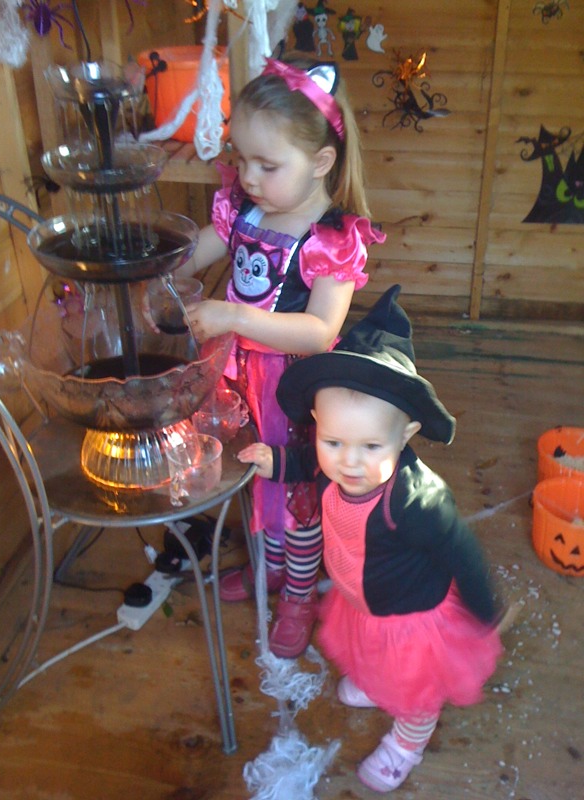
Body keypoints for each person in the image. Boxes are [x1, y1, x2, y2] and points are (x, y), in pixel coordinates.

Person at [237, 285, 506, 793]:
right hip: (361, 597)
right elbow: (309, 463)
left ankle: (407, 741)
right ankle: (377, 679)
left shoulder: (417, 501)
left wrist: (484, 612)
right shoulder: (335, 461)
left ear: (405, 435)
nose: (349, 462)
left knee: (415, 689)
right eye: (333, 441)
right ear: (317, 425)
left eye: (371, 446)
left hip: (408, 617)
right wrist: (277, 461)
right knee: (366, 649)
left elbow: (462, 552)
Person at [179, 52, 386, 659]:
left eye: (267, 165)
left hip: (294, 387)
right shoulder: (245, 210)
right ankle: (268, 568)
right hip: (237, 376)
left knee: (294, 493)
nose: (248, 176)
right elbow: (192, 253)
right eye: (241, 159)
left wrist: (235, 316)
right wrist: (154, 265)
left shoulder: (331, 239)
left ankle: (298, 593)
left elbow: (320, 331)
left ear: (320, 162)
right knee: (251, 471)